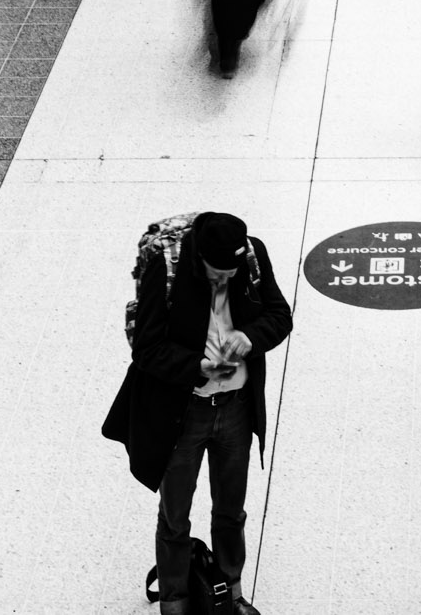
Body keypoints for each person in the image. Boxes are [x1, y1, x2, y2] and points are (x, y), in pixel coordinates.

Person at [100, 213, 290, 615]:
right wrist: (195, 366)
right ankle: (174, 603)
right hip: (183, 414)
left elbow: (280, 315)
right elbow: (147, 348)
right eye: (214, 272)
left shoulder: (253, 256)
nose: (223, 280)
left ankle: (231, 595)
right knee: (175, 517)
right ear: (197, 257)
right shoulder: (164, 266)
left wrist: (249, 337)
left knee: (230, 510)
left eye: (230, 272)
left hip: (235, 410)